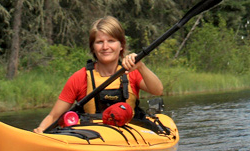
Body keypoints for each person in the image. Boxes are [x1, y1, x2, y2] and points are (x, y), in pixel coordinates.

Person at [33, 16, 163, 133]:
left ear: (121, 45)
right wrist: (41, 129)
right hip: (93, 137)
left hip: (128, 134)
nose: (105, 47)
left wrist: (141, 66)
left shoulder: (132, 72)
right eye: (99, 42)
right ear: (93, 47)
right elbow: (54, 116)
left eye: (111, 41)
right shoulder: (80, 78)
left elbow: (157, 90)